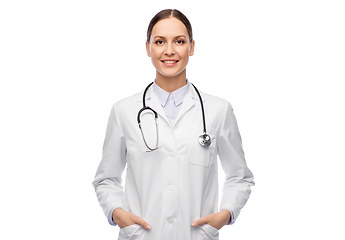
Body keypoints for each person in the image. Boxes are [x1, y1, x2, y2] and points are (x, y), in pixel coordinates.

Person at [92, 9, 254, 240]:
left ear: (192, 46)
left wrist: (225, 214)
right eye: (160, 42)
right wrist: (118, 214)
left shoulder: (218, 110)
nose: (169, 50)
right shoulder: (124, 111)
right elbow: (106, 179)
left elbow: (240, 176)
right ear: (148, 47)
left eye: (179, 41)